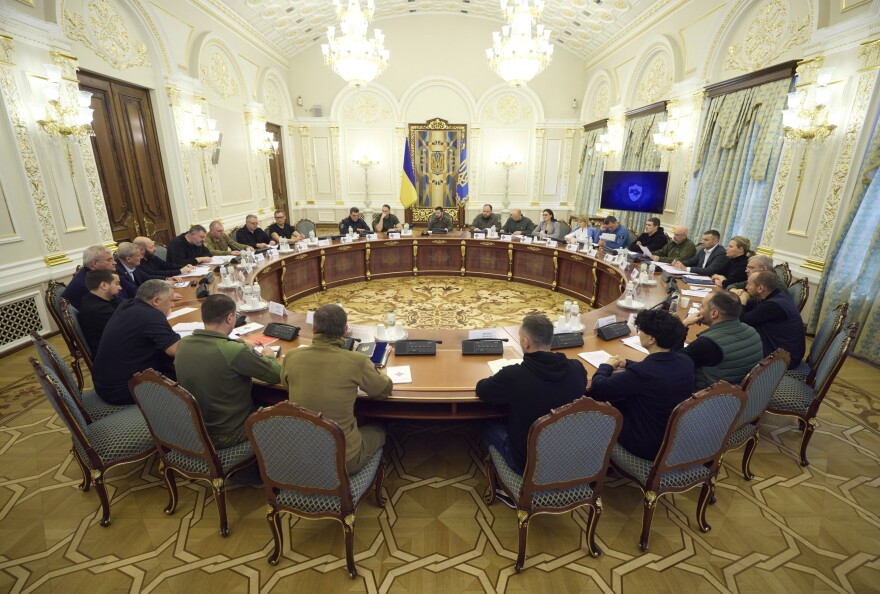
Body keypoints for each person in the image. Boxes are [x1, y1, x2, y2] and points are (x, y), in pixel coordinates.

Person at [281, 304, 392, 474]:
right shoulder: (357, 361)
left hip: (301, 456)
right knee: (379, 429)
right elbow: (382, 391)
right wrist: (379, 372)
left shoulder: (291, 357)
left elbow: (286, 386)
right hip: (344, 461)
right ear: (345, 330)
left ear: (314, 328)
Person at [475, 314, 587, 473]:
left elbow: (482, 390)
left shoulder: (514, 376)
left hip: (528, 465)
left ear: (525, 343)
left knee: (487, 425)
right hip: (569, 458)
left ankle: (502, 479)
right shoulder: (577, 368)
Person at [175, 294, 281, 449]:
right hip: (229, 434)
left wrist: (239, 342)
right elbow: (275, 374)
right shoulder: (234, 351)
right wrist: (269, 356)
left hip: (197, 430)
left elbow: (215, 349)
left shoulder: (183, 344)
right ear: (230, 318)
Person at [589, 309, 694, 460]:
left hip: (645, 443)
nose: (638, 334)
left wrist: (606, 366)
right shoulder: (686, 361)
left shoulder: (643, 373)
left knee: (599, 409)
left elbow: (599, 388)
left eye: (641, 330)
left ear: (651, 339)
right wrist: (627, 363)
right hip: (673, 437)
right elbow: (658, 370)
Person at [92, 280, 181, 405]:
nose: (172, 305)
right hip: (122, 389)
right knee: (191, 376)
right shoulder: (150, 315)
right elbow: (176, 351)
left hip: (106, 382)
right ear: (156, 301)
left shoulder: (128, 304)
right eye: (170, 300)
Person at [682, 290, 764, 390]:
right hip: (738, 395)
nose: (699, 309)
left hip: (706, 399)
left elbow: (673, 361)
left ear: (714, 313)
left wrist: (683, 325)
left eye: (702, 306)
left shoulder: (707, 343)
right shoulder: (752, 331)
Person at [732, 270, 806, 369]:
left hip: (782, 360)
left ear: (760, 288)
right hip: (779, 349)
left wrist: (743, 301)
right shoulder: (775, 295)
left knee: (730, 352)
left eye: (749, 284)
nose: (746, 287)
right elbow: (752, 307)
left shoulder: (773, 306)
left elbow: (741, 321)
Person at [62, 245, 129, 309]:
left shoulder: (103, 274)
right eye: (109, 260)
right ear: (94, 264)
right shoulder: (87, 282)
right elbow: (113, 303)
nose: (115, 263)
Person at [78, 269, 121, 356]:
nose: (120, 287)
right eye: (117, 283)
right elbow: (127, 326)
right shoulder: (98, 310)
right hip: (111, 354)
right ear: (104, 285)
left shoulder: (92, 298)